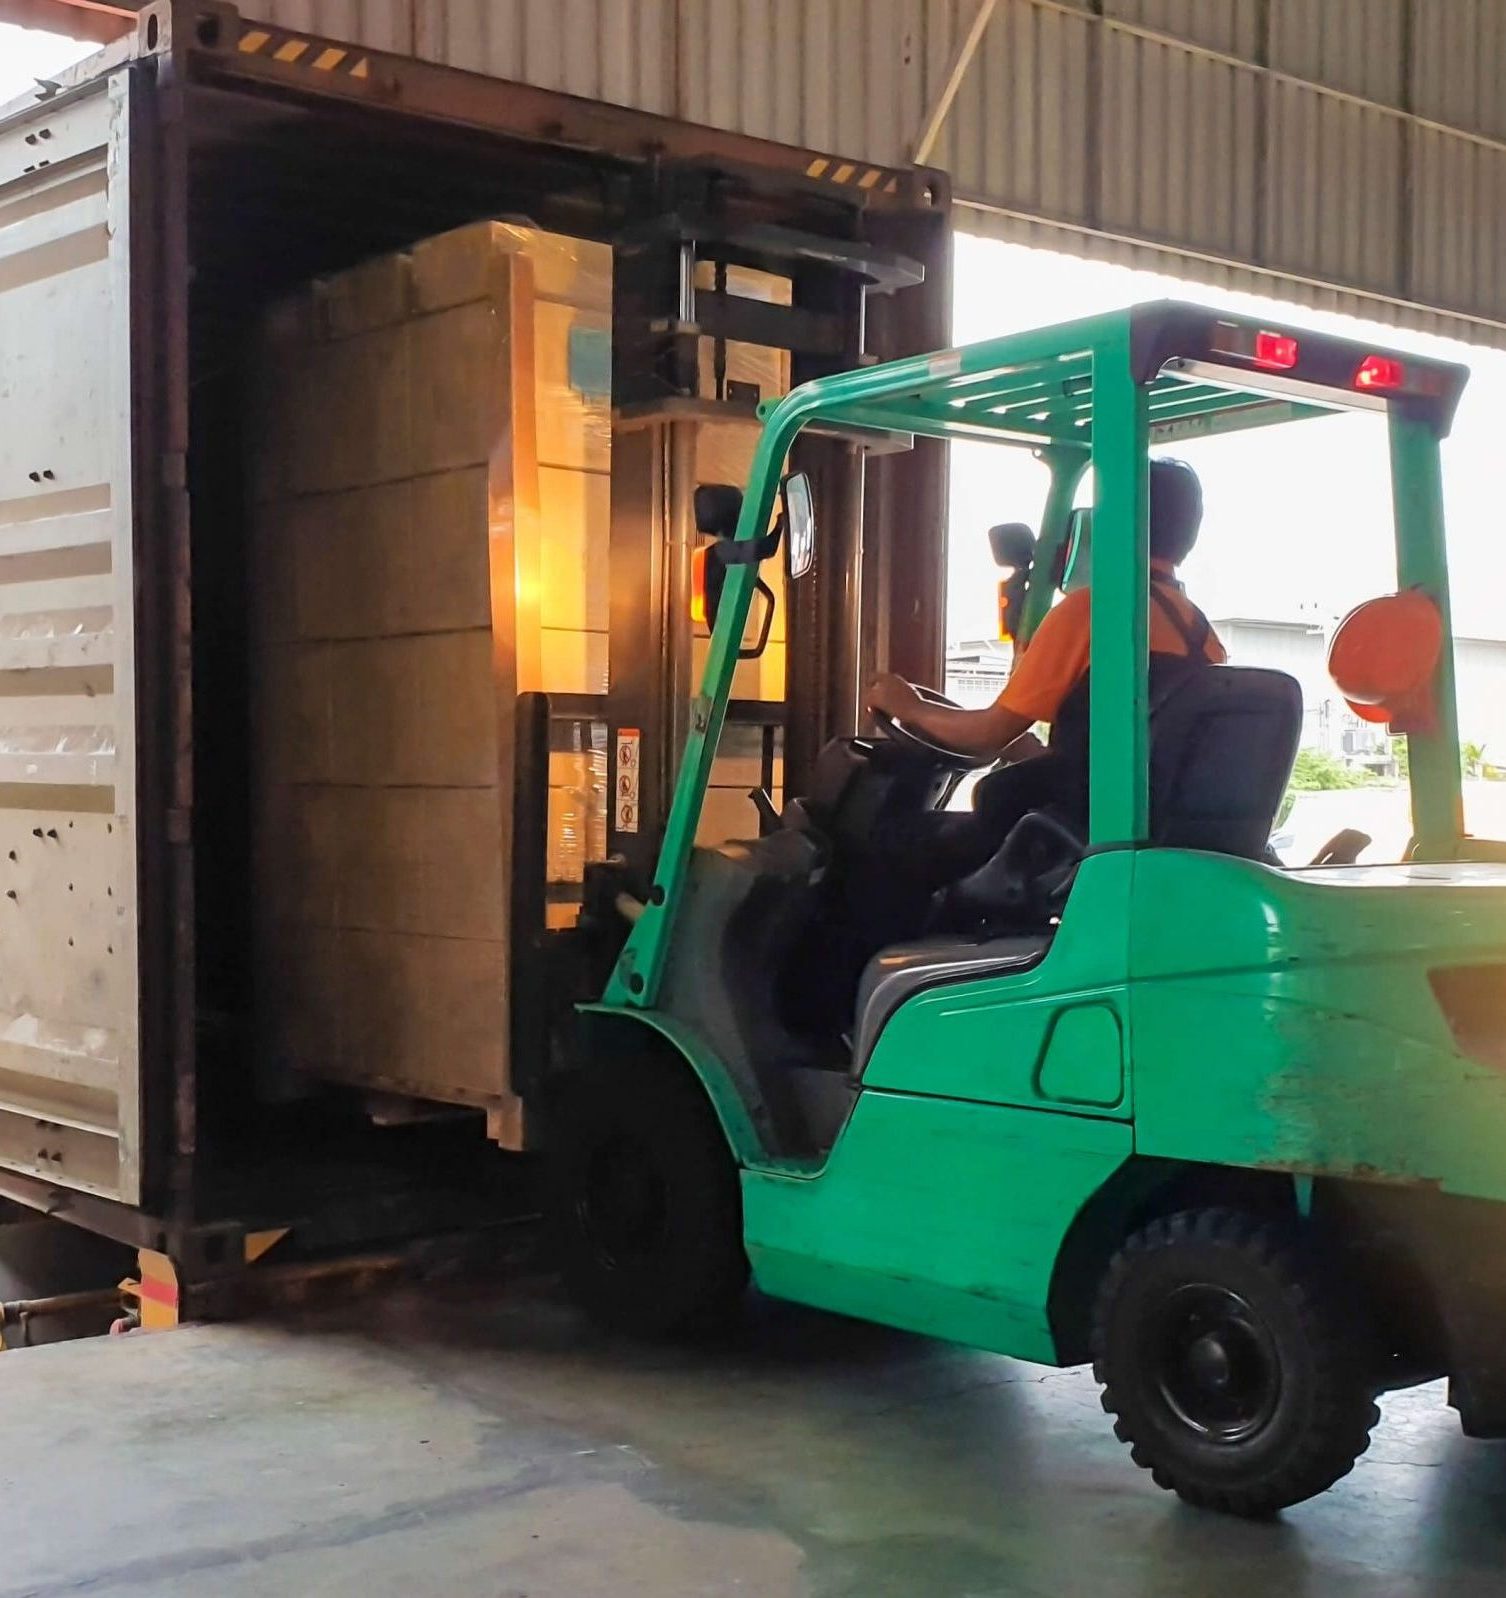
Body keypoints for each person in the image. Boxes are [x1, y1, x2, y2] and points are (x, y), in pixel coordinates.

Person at [864, 457, 1226, 897]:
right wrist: (1026, 751)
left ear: (1111, 521)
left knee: (876, 851)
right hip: (1126, 835)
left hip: (1062, 846)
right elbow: (1128, 752)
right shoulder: (1204, 637)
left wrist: (907, 706)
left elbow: (985, 735)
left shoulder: (1091, 611)